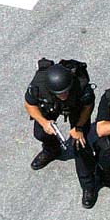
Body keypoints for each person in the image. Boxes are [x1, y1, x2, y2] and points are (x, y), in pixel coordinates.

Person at [24, 58, 98, 209]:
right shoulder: (39, 85)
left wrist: (78, 127)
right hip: (51, 105)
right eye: (60, 93)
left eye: (66, 91)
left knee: (80, 144)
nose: (64, 94)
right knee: (40, 133)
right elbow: (29, 104)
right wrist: (45, 123)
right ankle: (52, 150)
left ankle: (88, 186)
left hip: (76, 107)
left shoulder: (80, 85)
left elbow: (88, 106)